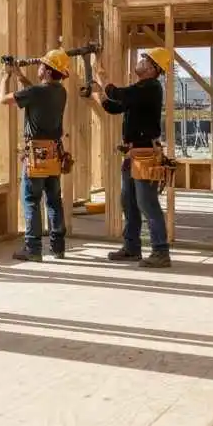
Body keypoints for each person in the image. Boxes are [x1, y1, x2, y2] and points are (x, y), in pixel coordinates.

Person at [92, 48, 173, 269]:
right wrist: (96, 93)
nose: (140, 60)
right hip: (132, 153)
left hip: (145, 153)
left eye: (145, 59)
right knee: (128, 202)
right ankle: (131, 248)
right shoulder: (140, 91)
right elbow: (114, 106)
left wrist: (103, 79)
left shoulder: (150, 87)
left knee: (147, 203)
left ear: (153, 69)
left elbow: (119, 94)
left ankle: (161, 251)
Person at [0, 49, 70, 261]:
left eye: (42, 65)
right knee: (54, 200)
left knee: (31, 199)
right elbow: (33, 93)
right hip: (54, 153)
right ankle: (58, 247)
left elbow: (4, 99)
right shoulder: (60, 92)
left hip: (36, 155)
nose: (38, 67)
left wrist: (6, 76)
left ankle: (33, 248)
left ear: (48, 72)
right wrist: (20, 75)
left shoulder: (37, 92)